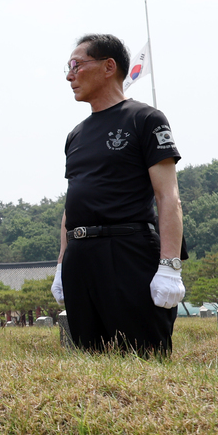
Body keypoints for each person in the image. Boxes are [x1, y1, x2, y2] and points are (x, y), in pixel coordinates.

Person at [52, 34, 185, 356]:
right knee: (90, 357)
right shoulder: (76, 134)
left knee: (142, 354)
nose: (70, 76)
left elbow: (168, 197)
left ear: (109, 66)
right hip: (81, 256)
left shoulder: (145, 119)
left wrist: (170, 266)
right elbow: (73, 205)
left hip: (127, 250)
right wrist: (61, 264)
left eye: (76, 65)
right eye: (67, 68)